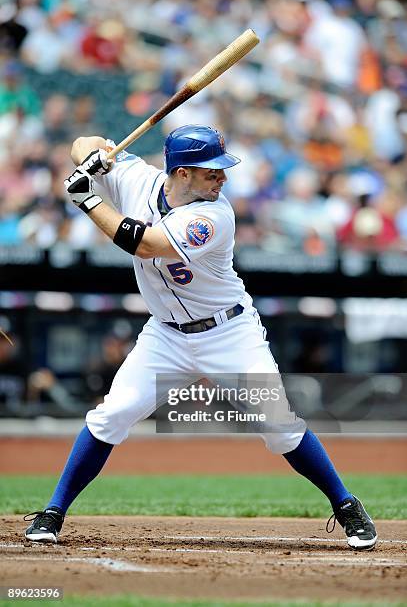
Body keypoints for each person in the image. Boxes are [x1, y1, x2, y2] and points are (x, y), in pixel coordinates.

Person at [24, 125, 377, 550]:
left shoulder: (215, 215)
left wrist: (88, 198)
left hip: (228, 332)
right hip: (164, 335)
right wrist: (93, 157)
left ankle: (346, 504)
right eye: (212, 171)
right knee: (112, 415)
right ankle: (54, 511)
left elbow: (145, 244)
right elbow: (83, 141)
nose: (222, 178)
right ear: (183, 172)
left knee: (279, 426)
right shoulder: (135, 178)